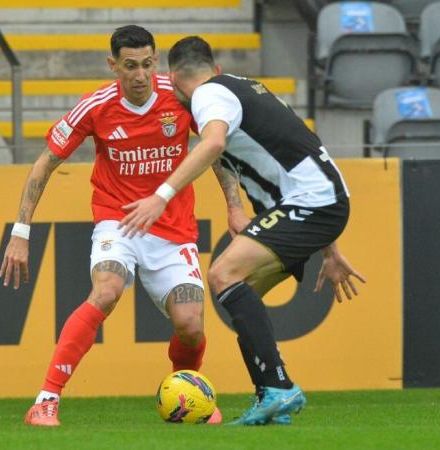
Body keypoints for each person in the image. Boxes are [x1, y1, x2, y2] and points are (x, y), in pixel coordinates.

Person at [120, 36, 365, 426]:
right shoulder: (238, 86)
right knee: (241, 297)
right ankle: (272, 396)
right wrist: (329, 250)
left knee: (221, 275)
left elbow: (213, 143)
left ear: (171, 76)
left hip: (312, 203)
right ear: (214, 67)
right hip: (318, 202)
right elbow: (295, 150)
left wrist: (161, 196)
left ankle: (278, 388)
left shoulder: (208, 96)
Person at [0, 26, 233, 426]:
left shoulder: (179, 96)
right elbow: (45, 163)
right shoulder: (95, 106)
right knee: (106, 291)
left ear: (156, 61)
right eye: (130, 66)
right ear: (113, 66)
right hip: (117, 222)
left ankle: (186, 394)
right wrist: (21, 232)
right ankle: (45, 401)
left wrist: (235, 205)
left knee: (191, 325)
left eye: (147, 64)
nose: (140, 75)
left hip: (172, 227)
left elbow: (220, 149)